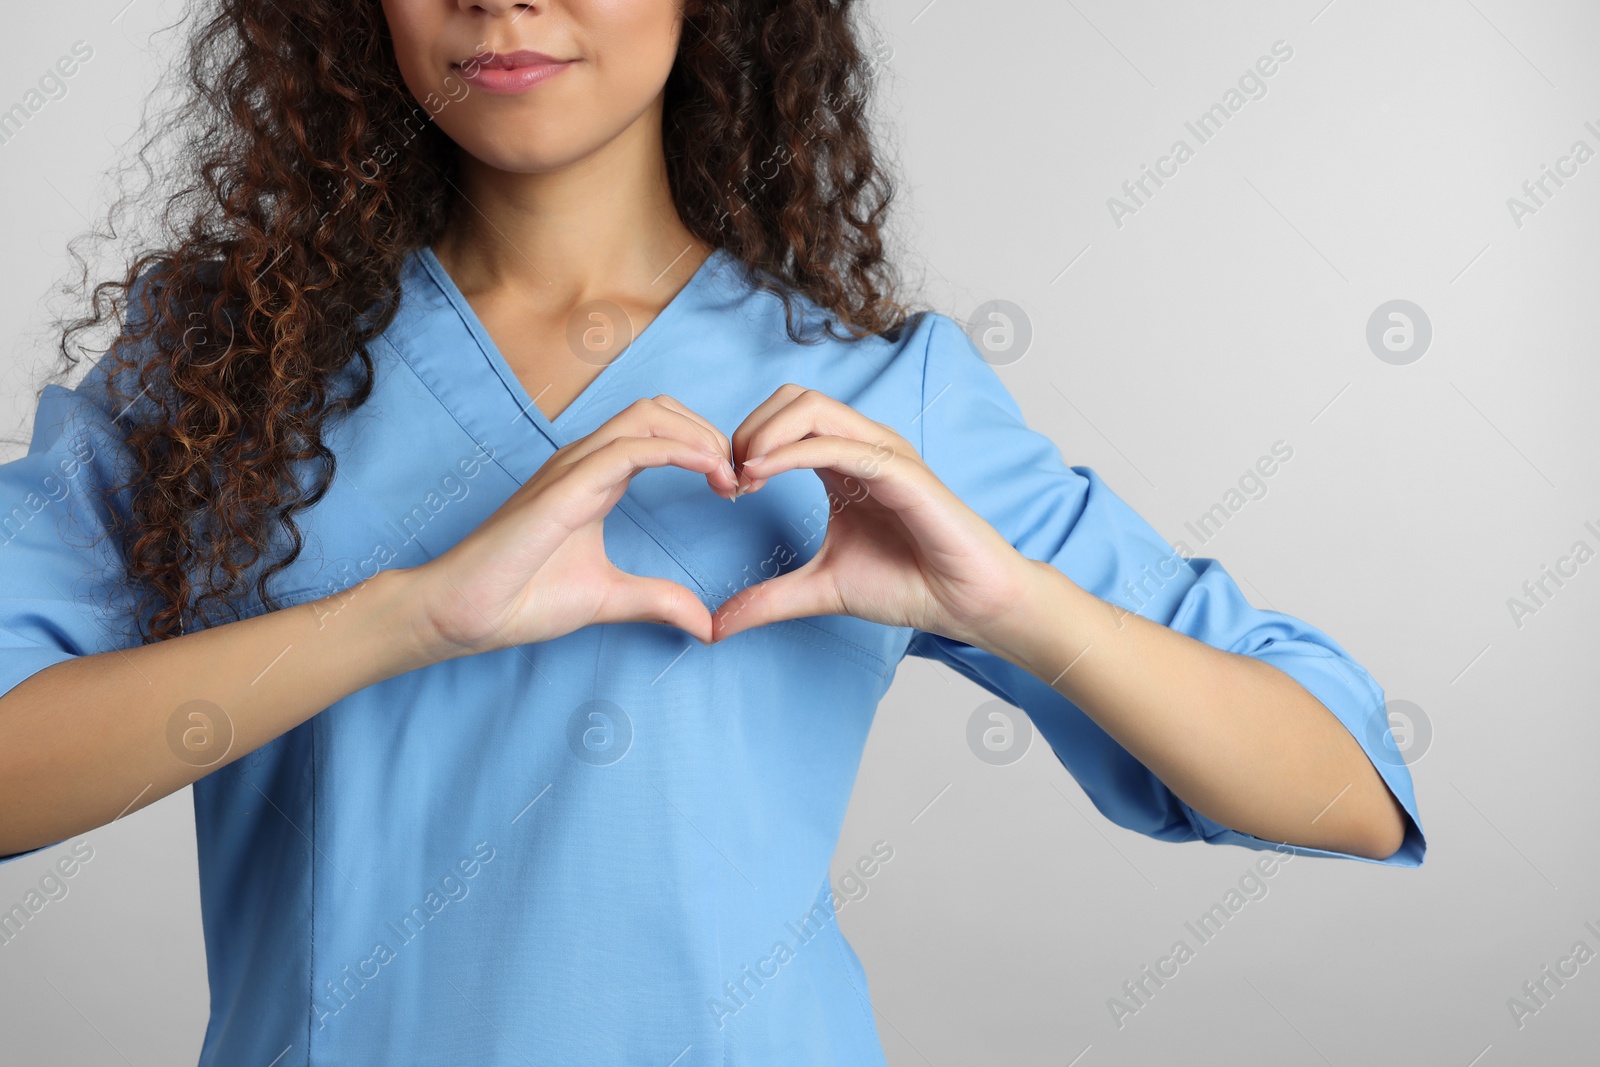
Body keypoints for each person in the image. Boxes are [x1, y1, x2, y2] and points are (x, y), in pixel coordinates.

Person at [0, 1, 1424, 1063]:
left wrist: (1016, 607)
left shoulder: (877, 399)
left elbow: (1346, 788)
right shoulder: (217, 368)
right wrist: (408, 615)